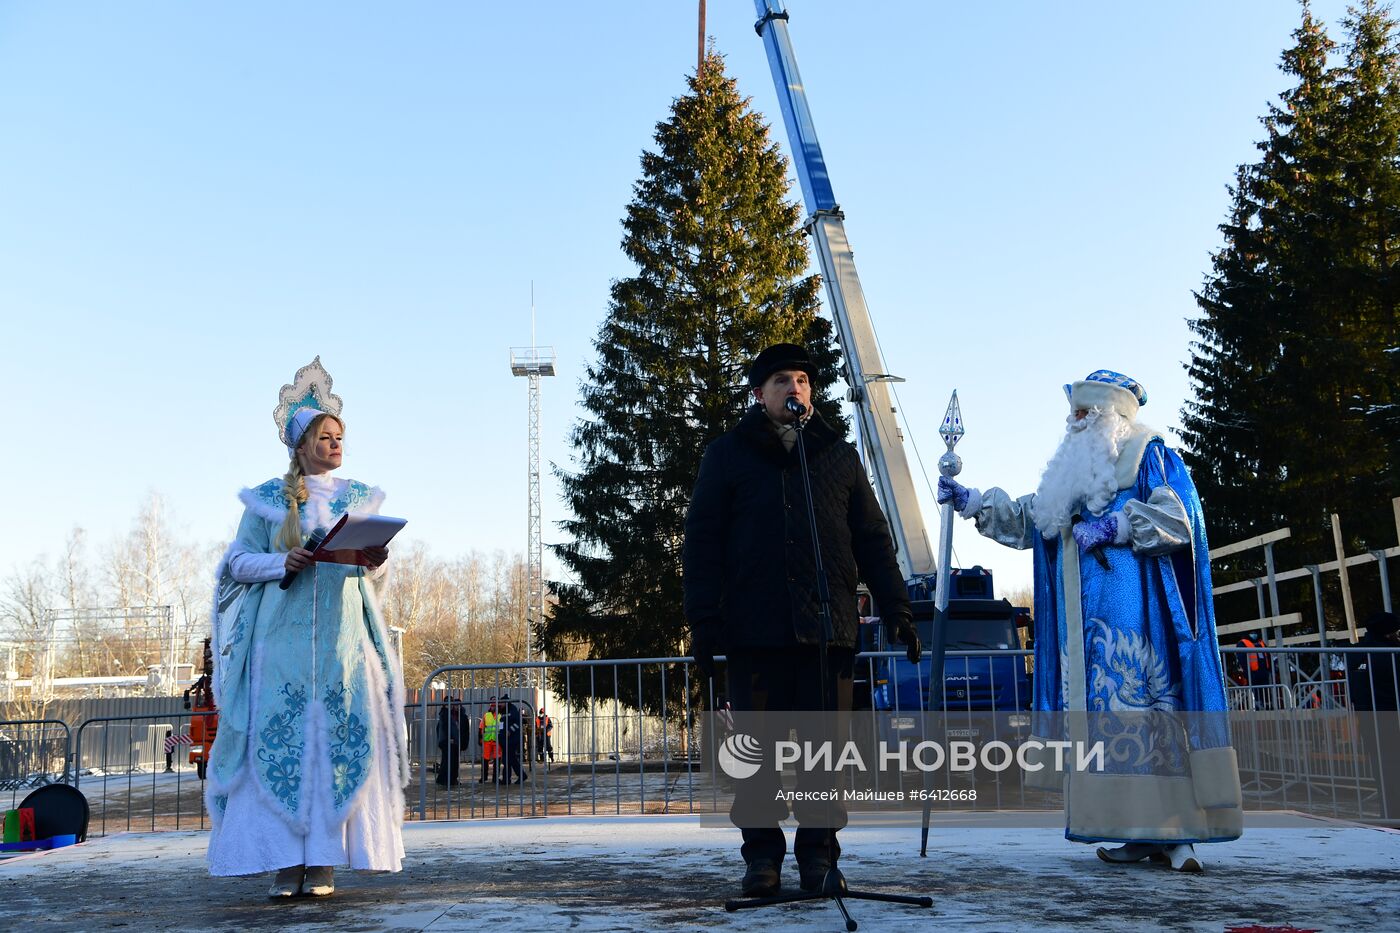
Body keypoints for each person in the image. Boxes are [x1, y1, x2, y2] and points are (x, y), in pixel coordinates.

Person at [938, 369, 1242, 872]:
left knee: (1153, 724)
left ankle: (1178, 834)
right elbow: (1030, 520)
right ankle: (1133, 833)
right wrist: (972, 502)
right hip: (1085, 636)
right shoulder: (1073, 478)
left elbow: (1179, 519)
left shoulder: (1150, 456)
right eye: (1072, 414)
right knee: (1104, 737)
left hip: (1145, 626)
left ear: (1110, 416)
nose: (1075, 423)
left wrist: (1117, 525)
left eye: (1085, 413)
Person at [683, 342, 920, 897]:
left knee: (822, 759)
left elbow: (872, 539)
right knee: (756, 758)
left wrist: (898, 611)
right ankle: (762, 860)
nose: (796, 389)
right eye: (784, 381)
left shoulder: (837, 455)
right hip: (754, 634)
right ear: (759, 392)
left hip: (828, 633)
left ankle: (819, 858)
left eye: (804, 382)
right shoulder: (727, 455)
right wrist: (704, 621)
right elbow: (702, 543)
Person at [205, 357, 407, 897]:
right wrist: (282, 563)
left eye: (340, 435)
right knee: (280, 750)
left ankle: (322, 862)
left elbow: (376, 577)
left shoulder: (356, 498)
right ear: (301, 444)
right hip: (280, 654)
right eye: (325, 436)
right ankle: (283, 863)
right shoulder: (268, 501)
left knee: (330, 752)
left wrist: (374, 559)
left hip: (342, 652)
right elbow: (236, 564)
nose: (336, 443)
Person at [1346, 611, 1400, 820]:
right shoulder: (1390, 653)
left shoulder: (1356, 653)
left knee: (1382, 767)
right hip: (1391, 715)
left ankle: (1389, 813)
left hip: (1368, 717)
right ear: (1388, 633)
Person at [436, 692, 463, 787]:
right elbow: (445, 727)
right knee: (448, 762)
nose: (450, 705)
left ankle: (447, 779)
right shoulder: (445, 714)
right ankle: (445, 780)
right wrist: (449, 738)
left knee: (449, 761)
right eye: (448, 703)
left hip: (450, 741)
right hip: (448, 741)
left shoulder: (449, 713)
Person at [479, 701, 501, 783]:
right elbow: (481, 728)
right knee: (485, 759)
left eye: (495, 706)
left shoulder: (500, 716)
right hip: (487, 740)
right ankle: (484, 777)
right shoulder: (486, 715)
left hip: (497, 741)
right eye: (492, 706)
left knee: (497, 760)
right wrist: (480, 738)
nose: (493, 707)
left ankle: (495, 778)